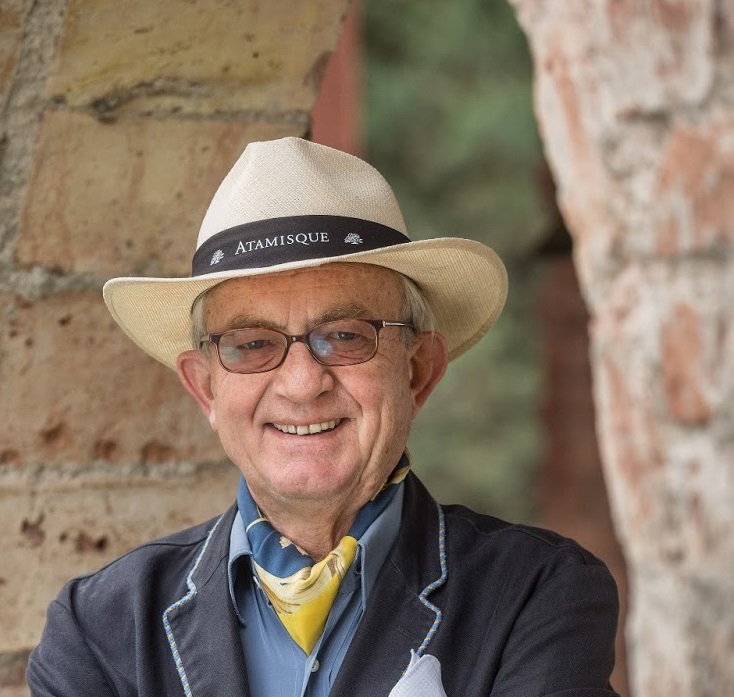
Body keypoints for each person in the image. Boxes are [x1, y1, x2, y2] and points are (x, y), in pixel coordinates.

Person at [27, 137, 619, 697]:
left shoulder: (535, 594)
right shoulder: (100, 630)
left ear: (417, 371)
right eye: (252, 344)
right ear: (206, 388)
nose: (303, 383)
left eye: (345, 335)